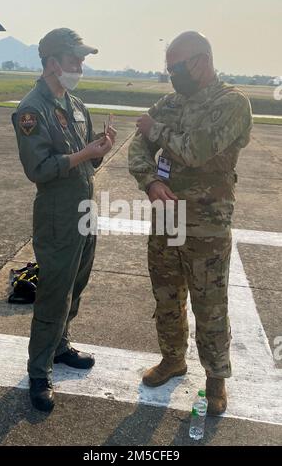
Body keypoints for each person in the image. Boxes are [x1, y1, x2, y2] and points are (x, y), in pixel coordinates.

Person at [128, 31, 252, 415]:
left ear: (201, 61)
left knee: (210, 304)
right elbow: (137, 146)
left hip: (207, 226)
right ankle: (172, 359)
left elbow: (197, 150)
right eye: (168, 69)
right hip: (167, 221)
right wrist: (150, 180)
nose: (171, 76)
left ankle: (216, 379)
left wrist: (156, 129)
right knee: (167, 297)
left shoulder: (232, 103)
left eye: (176, 68)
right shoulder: (169, 102)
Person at [12, 28, 116, 412]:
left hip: (84, 209)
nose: (80, 65)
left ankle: (60, 345)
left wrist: (98, 150)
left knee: (77, 282)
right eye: (75, 59)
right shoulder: (31, 109)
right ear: (53, 62)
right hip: (57, 214)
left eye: (83, 59)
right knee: (54, 291)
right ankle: (39, 371)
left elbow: (87, 159)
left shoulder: (75, 105)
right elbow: (38, 168)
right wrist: (82, 154)